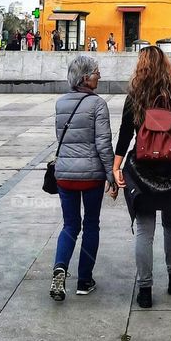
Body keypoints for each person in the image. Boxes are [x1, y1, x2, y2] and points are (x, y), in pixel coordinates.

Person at [113, 46, 171, 309]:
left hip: (143, 169)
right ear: (167, 66)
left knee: (144, 228)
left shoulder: (136, 96)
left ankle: (145, 290)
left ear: (141, 68)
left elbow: (124, 134)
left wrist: (116, 167)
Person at [49, 54, 117, 301]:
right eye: (97, 72)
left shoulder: (60, 103)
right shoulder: (98, 104)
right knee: (90, 224)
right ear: (85, 77)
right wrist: (111, 174)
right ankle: (84, 280)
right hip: (90, 177)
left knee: (69, 225)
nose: (100, 75)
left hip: (65, 175)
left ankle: (60, 267)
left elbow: (61, 139)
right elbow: (103, 144)